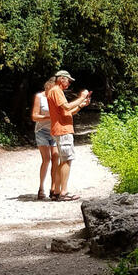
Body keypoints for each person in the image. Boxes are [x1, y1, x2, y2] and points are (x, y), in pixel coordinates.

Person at [46, 70, 91, 201]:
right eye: (68, 80)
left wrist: (81, 105)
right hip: (63, 131)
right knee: (67, 160)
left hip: (62, 130)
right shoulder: (56, 91)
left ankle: (56, 191)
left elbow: (67, 112)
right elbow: (66, 107)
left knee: (64, 160)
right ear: (61, 79)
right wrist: (82, 97)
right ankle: (63, 192)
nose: (69, 83)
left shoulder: (55, 91)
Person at [31, 77, 58, 200]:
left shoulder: (58, 97)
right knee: (46, 159)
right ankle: (41, 187)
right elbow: (34, 116)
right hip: (42, 131)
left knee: (56, 157)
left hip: (55, 131)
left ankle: (53, 188)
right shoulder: (39, 97)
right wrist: (49, 117)